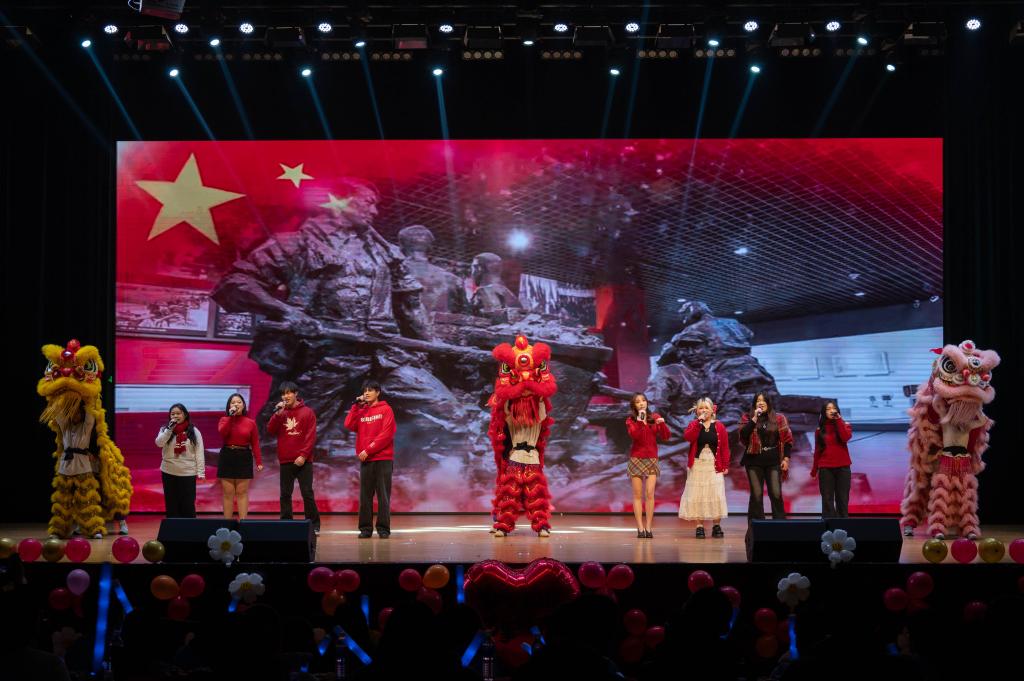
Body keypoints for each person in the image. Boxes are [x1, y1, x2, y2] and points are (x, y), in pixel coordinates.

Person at [344, 380, 397, 538]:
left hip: (383, 458)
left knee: (383, 496)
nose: (366, 393)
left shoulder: (386, 409)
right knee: (365, 497)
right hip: (366, 460)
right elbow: (348, 424)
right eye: (364, 391)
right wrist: (355, 406)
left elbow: (387, 434)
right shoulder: (362, 411)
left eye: (370, 390)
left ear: (378, 392)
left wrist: (368, 449)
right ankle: (365, 529)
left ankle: (383, 529)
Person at [268, 382, 320, 534]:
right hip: (286, 460)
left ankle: (313, 524)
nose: (286, 396)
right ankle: (286, 523)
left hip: (304, 461)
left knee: (307, 493)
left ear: (296, 393)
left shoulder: (307, 412)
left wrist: (303, 455)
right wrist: (277, 415)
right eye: (283, 394)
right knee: (285, 494)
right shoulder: (281, 413)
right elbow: (270, 430)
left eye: (289, 393)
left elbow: (311, 436)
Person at [679, 397, 730, 538]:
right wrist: (699, 423)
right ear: (697, 411)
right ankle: (699, 526)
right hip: (698, 464)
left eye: (706, 407)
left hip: (714, 464)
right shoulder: (694, 424)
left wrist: (725, 465)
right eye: (701, 408)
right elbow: (688, 437)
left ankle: (716, 525)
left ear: (712, 410)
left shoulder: (719, 426)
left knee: (716, 493)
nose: (703, 410)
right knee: (698, 495)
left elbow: (725, 447)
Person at [738, 392, 792, 520]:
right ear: (754, 404)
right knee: (756, 495)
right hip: (753, 460)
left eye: (763, 400)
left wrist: (786, 459)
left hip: (773, 460)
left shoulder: (779, 418)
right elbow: (743, 436)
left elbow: (787, 440)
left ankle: (780, 525)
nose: (761, 403)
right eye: (758, 400)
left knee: (776, 493)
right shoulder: (747, 417)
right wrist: (754, 418)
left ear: (768, 403)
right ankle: (757, 526)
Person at [624, 393, 670, 538]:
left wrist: (662, 424)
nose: (641, 403)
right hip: (637, 459)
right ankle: (640, 528)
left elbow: (666, 436)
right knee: (637, 495)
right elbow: (635, 436)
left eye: (643, 400)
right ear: (634, 406)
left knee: (650, 494)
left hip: (651, 459)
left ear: (647, 403)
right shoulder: (630, 420)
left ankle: (649, 527)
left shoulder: (655, 417)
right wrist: (639, 422)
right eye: (638, 402)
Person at [217, 393, 263, 520]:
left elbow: (255, 443)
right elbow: (223, 433)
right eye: (233, 402)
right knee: (228, 493)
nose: (236, 404)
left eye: (239, 402)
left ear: (243, 405)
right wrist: (230, 417)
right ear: (229, 406)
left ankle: (243, 523)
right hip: (227, 456)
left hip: (244, 456)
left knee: (241, 492)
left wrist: (259, 461)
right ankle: (227, 524)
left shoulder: (251, 423)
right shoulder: (224, 420)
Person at [155, 403, 205, 518]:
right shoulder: (165, 429)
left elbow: (199, 452)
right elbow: (159, 443)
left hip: (188, 472)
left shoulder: (194, 431)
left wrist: (201, 472)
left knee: (188, 505)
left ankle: (189, 528)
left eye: (178, 413)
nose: (175, 416)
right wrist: (169, 430)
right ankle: (173, 529)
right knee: (171, 505)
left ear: (185, 415)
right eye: (173, 414)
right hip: (168, 472)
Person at [811, 400, 853, 518]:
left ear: (837, 411)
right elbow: (817, 452)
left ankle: (843, 526)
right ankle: (828, 526)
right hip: (825, 468)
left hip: (843, 467)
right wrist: (814, 470)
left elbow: (845, 437)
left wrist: (838, 420)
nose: (831, 411)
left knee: (842, 499)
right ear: (824, 413)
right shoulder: (819, 430)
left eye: (833, 408)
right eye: (828, 409)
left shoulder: (845, 425)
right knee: (827, 500)